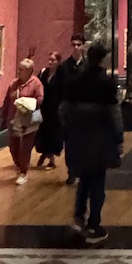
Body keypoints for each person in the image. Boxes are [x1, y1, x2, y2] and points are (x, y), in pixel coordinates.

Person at [61, 42, 123, 244]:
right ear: (103, 59)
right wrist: (119, 138)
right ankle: (94, 224)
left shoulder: (75, 81)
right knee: (97, 180)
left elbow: (64, 110)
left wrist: (69, 132)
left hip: (78, 135)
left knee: (84, 178)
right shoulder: (107, 83)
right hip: (100, 136)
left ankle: (79, 215)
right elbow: (114, 114)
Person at [48, 33, 86, 185]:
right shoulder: (64, 67)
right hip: (69, 111)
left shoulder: (88, 66)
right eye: (73, 45)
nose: (76, 47)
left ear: (83, 46)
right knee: (70, 143)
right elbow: (56, 89)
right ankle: (72, 172)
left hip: (86, 110)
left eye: (78, 45)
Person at [0, 57, 44, 185]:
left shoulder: (36, 83)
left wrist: (27, 103)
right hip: (13, 119)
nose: (18, 71)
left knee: (25, 147)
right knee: (13, 147)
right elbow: (7, 101)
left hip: (28, 120)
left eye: (22, 70)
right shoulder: (14, 84)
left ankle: (23, 172)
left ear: (30, 71)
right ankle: (20, 166)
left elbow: (40, 99)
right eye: (18, 69)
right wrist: (3, 117)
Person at [34, 50, 64, 170]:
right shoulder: (44, 72)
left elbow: (64, 90)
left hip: (55, 108)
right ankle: (44, 153)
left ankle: (51, 159)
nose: (50, 62)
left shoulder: (61, 74)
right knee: (43, 132)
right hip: (44, 107)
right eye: (49, 60)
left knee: (53, 133)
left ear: (58, 61)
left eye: (53, 60)